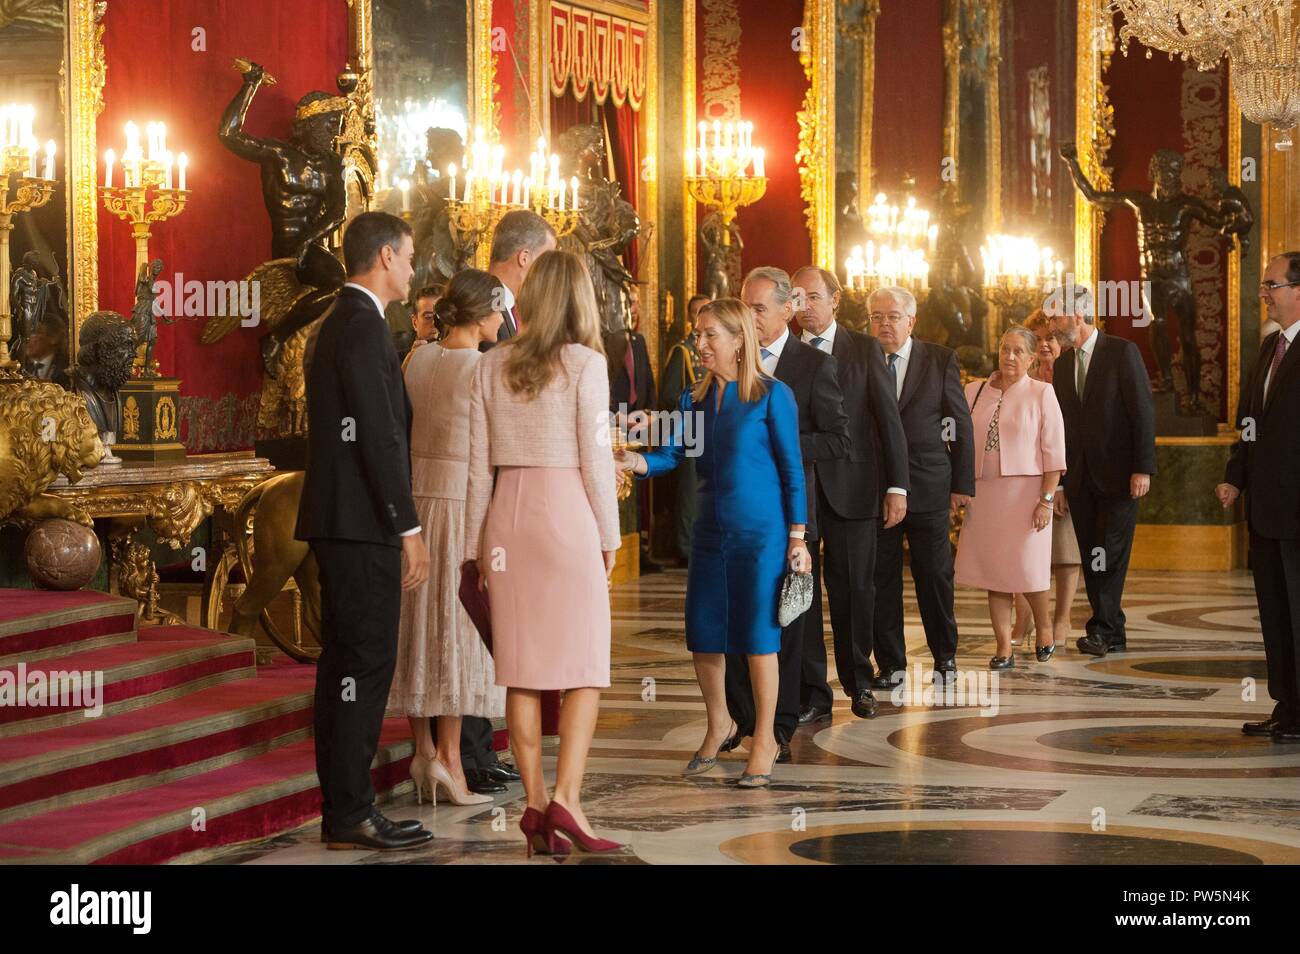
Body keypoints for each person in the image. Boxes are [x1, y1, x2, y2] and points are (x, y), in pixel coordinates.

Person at [463, 249, 623, 855]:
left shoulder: (489, 363)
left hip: (507, 515)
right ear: (579, 300)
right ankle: (568, 800)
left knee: (522, 668)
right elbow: (595, 461)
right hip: (566, 515)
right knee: (584, 666)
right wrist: (609, 537)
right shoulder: (585, 364)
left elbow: (477, 469)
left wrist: (478, 546)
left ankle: (533, 807)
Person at [617, 298, 809, 788]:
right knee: (704, 634)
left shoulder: (772, 395)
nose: (699, 344)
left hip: (761, 537)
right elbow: (670, 455)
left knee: (759, 639)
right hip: (709, 534)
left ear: (738, 339)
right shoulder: (693, 400)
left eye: (709, 336)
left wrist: (798, 537)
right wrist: (635, 464)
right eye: (697, 334)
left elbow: (792, 471)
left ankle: (764, 737)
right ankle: (719, 723)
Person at [294, 211, 433, 851]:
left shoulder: (342, 322)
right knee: (363, 665)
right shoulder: (362, 326)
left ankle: (344, 810)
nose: (412, 269)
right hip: (362, 528)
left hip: (342, 523)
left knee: (344, 667)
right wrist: (407, 527)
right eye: (407, 257)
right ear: (383, 256)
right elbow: (379, 437)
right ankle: (350, 811)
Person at [389, 269, 506, 807]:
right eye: (498, 311)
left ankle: (421, 752)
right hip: (461, 505)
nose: (503, 320)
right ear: (480, 315)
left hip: (417, 505)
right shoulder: (482, 368)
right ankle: (452, 762)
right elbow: (494, 450)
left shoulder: (418, 358)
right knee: (456, 631)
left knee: (419, 629)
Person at [731, 266, 849, 760]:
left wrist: (776, 440)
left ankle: (778, 726)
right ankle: (742, 719)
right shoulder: (729, 361)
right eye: (744, 306)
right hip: (738, 519)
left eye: (758, 308)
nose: (749, 317)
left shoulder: (814, 365)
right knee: (738, 623)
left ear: (788, 308)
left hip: (793, 521)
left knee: (788, 622)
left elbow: (838, 438)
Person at [460, 210, 556, 794]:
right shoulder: (488, 302)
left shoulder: (515, 310)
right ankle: (471, 748)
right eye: (548, 256)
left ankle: (480, 744)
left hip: (505, 489)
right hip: (490, 489)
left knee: (498, 627)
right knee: (478, 622)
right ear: (525, 258)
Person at [791, 266, 909, 724]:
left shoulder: (863, 350)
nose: (805, 308)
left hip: (855, 490)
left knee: (855, 590)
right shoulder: (782, 353)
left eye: (814, 298)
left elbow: (887, 422)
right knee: (801, 591)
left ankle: (860, 684)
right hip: (798, 493)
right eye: (796, 299)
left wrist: (896, 486)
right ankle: (812, 693)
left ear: (836, 299)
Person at [868, 286, 975, 684]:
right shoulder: (863, 357)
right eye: (877, 316)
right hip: (877, 489)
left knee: (934, 577)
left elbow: (959, 423)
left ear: (911, 321)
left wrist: (962, 482)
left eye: (893, 316)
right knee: (883, 579)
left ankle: (945, 657)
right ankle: (891, 665)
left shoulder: (939, 359)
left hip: (929, 485)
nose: (884, 324)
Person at [1046, 283, 1156, 657]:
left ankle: (1102, 628)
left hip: (1120, 475)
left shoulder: (1122, 352)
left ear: (1078, 314)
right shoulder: (1062, 365)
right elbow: (1061, 426)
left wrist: (1143, 467)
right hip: (1079, 479)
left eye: (1056, 316)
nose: (1051, 325)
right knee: (1093, 552)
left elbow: (1142, 412)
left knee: (1108, 553)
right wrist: (1059, 483)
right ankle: (1112, 629)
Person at [1218, 252, 1300, 744]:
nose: (1263, 293)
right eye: (1264, 285)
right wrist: (1236, 477)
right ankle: (1287, 707)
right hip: (1266, 511)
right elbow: (1249, 420)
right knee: (1276, 610)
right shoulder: (1269, 348)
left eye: (1271, 284)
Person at [954, 327, 1067, 668]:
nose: (1010, 357)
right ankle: (1003, 647)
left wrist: (1047, 498)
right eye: (1005, 349)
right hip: (985, 493)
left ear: (1032, 359)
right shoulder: (973, 391)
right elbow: (958, 444)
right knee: (995, 573)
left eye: (1019, 351)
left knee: (1026, 568)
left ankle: (1044, 627)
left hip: (1027, 493)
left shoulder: (1042, 393)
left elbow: (1054, 451)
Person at [1011, 310, 1082, 648]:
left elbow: (1069, 437)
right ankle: (1024, 619)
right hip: (1024, 479)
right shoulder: (1021, 378)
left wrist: (1060, 486)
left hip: (1063, 478)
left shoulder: (1072, 377)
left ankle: (1062, 618)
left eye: (1050, 338)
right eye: (1037, 339)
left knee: (1065, 551)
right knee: (1022, 553)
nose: (1043, 345)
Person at [660, 293, 710, 564]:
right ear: (691, 316)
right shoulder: (683, 351)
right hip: (691, 427)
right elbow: (669, 394)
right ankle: (685, 547)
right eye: (698, 311)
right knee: (689, 492)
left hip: (712, 428)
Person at [487, 209, 557, 342]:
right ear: (524, 258)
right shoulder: (483, 305)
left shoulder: (501, 300)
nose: (547, 271)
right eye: (545, 260)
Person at [401, 284, 442, 372]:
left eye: (441, 317)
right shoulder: (398, 362)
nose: (435, 323)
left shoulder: (465, 357)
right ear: (415, 323)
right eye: (428, 317)